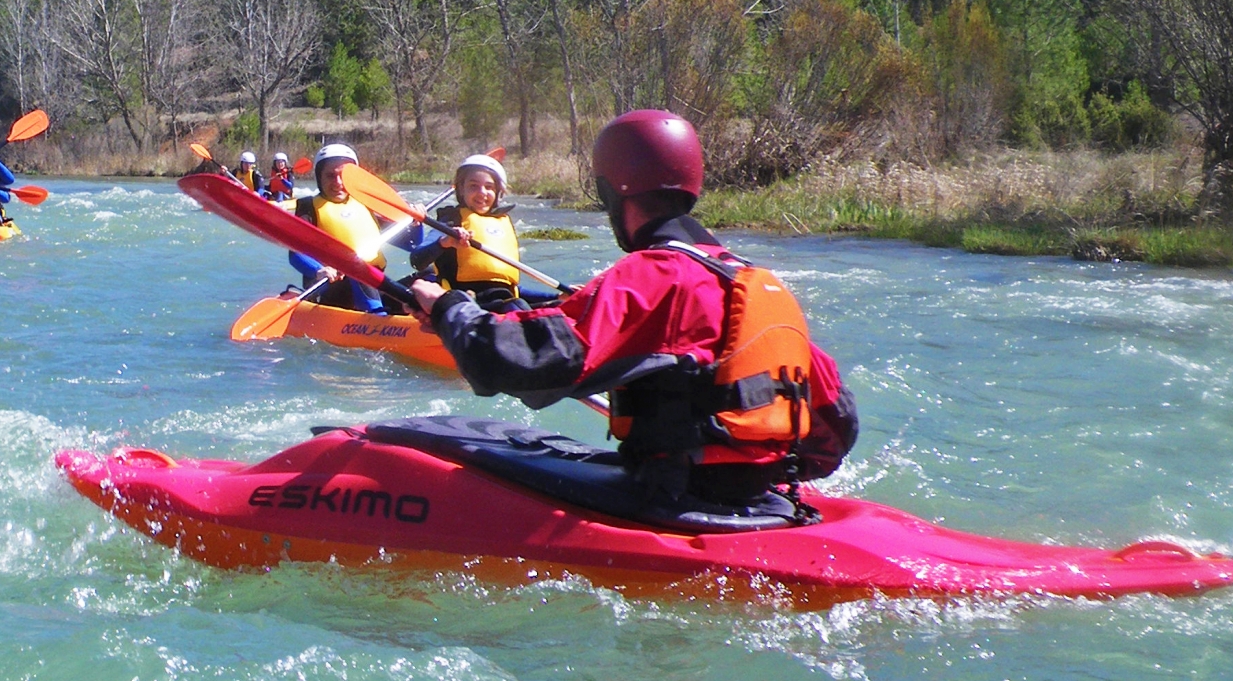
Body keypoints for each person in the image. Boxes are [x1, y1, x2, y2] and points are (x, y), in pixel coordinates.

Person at [409, 110, 860, 520]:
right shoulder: (756, 280)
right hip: (762, 499)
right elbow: (837, 424)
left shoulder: (656, 274)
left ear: (612, 190)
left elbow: (526, 361)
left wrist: (449, 309)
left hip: (676, 497)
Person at [287, 143, 409, 313]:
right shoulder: (308, 207)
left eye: (343, 176)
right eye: (330, 176)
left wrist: (414, 220)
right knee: (355, 266)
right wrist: (319, 270)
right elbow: (295, 254)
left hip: (375, 284)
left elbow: (412, 243)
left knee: (425, 278)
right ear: (319, 178)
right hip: (331, 286)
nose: (338, 183)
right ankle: (378, 320)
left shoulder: (367, 204)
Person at [409, 152, 530, 313]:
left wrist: (559, 296)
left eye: (489, 187)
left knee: (540, 306)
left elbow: (508, 290)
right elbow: (417, 260)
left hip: (501, 304)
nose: (482, 192)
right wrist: (445, 242)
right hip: (462, 305)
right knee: (517, 308)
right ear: (461, 190)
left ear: (498, 192)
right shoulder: (451, 221)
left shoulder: (503, 222)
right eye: (473, 186)